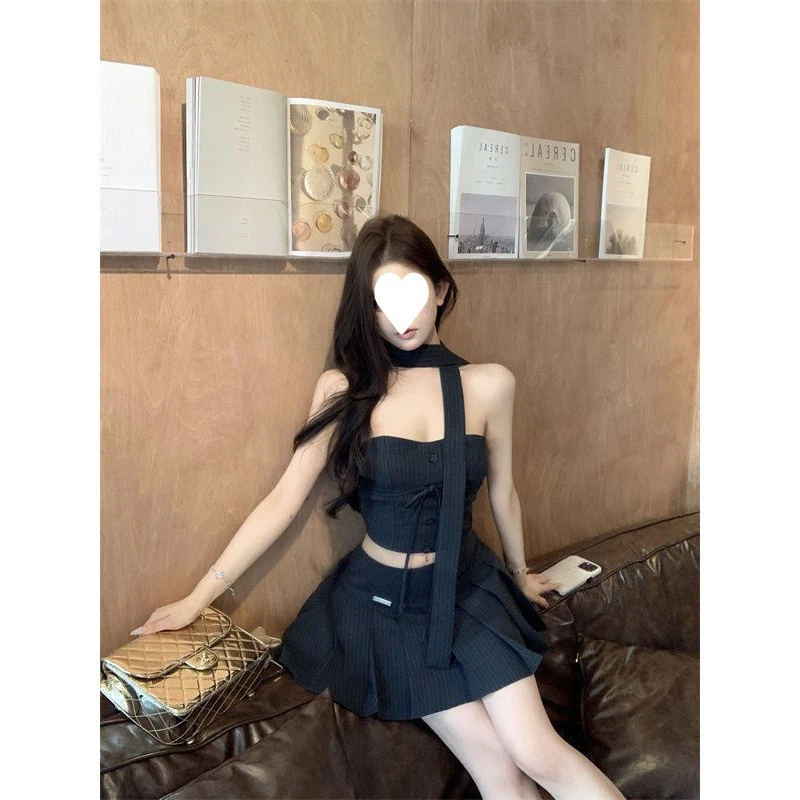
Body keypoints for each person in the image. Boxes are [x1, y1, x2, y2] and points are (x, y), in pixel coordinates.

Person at [131, 214, 625, 800]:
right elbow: (284, 500)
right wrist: (197, 597)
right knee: (497, 767)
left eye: (412, 294)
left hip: (467, 589)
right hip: (384, 609)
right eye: (380, 302)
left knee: (537, 751)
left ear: (439, 290)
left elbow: (504, 492)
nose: (399, 317)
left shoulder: (490, 384)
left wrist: (519, 572)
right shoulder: (344, 389)